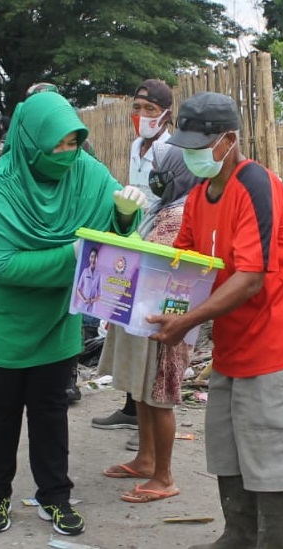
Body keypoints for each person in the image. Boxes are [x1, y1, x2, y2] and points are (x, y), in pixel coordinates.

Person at [0, 91, 146, 536]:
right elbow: (2, 265)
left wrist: (125, 218)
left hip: (56, 314)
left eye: (74, 143)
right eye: (57, 144)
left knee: (50, 409)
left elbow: (110, 243)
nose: (66, 153)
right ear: (30, 139)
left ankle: (54, 496)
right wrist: (74, 254)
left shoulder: (88, 174)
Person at [149, 91, 283, 549]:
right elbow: (179, 261)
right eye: (186, 145)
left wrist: (185, 323)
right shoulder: (201, 195)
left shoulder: (255, 184)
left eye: (200, 145)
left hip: (274, 344)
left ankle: (271, 543)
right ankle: (238, 536)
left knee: (273, 458)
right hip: (231, 343)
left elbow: (250, 279)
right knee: (229, 448)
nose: (192, 154)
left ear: (229, 140)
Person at [100, 145, 203, 504]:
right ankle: (146, 460)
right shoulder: (165, 209)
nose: (155, 177)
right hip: (151, 315)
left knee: (160, 397)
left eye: (162, 171)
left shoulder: (181, 215)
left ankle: (164, 476)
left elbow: (154, 263)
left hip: (169, 320)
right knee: (144, 392)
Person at [92, 79, 174, 443]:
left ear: (166, 114)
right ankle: (130, 409)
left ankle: (148, 423)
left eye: (150, 110)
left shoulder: (172, 148)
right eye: (137, 108)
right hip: (134, 237)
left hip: (159, 241)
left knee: (147, 328)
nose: (142, 116)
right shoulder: (136, 145)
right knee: (125, 319)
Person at [75, 246, 101, 311]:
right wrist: (83, 300)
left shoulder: (99, 274)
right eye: (92, 256)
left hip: (91, 307)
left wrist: (91, 300)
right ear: (89, 258)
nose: (93, 259)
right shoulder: (85, 271)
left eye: (95, 257)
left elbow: (99, 295)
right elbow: (78, 289)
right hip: (82, 305)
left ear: (97, 259)